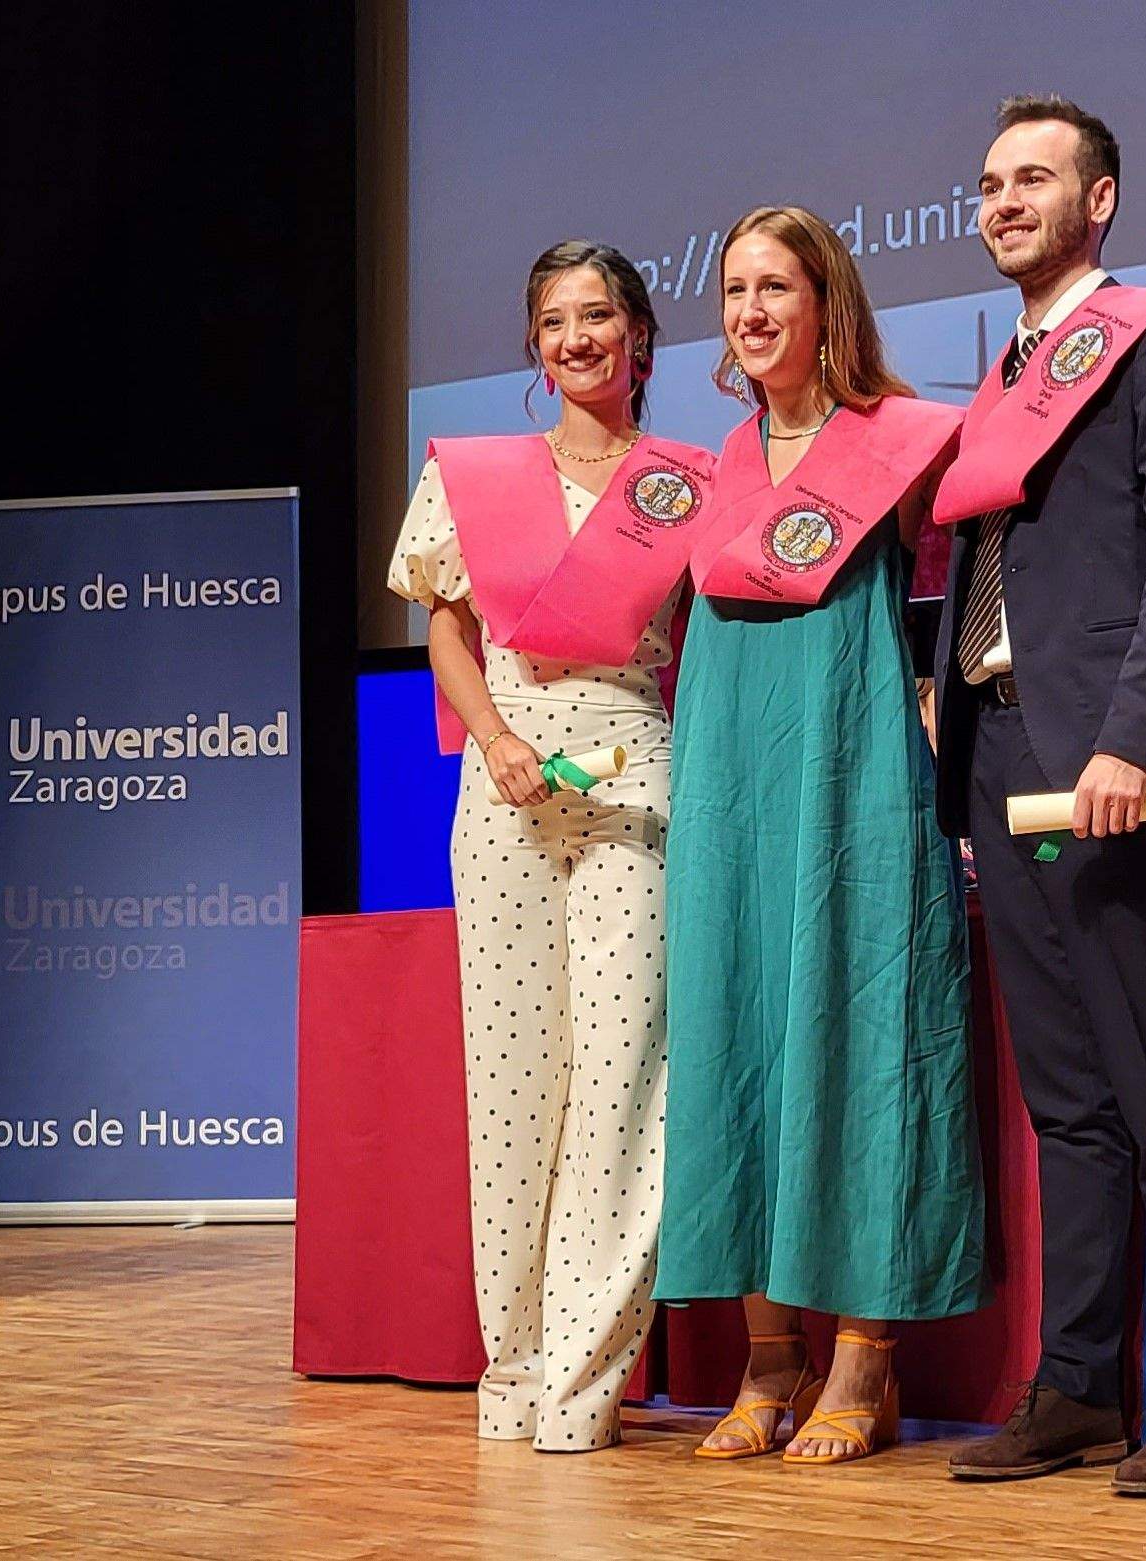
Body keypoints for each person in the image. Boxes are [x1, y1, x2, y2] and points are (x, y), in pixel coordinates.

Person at [928, 97, 1146, 1495]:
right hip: (999, 750)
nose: (1003, 201)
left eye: (1033, 180)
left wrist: (1132, 738)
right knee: (1066, 1099)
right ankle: (1075, 1384)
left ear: (1100, 200)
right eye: (990, 183)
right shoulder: (1002, 369)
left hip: (1104, 761)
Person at [655, 205, 985, 1467]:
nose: (750, 310)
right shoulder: (702, 468)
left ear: (824, 302)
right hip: (730, 785)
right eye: (734, 288)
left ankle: (866, 1362)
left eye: (776, 286)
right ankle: (768, 1361)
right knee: (741, 1035)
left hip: (851, 780)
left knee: (861, 1040)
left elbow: (984, 589)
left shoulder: (898, 446)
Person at [388, 240, 713, 1452]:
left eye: (598, 316)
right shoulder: (473, 475)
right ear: (534, 346)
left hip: (638, 772)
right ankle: (514, 1361)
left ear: (638, 334)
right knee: (516, 1080)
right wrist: (499, 742)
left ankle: (589, 1369)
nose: (577, 338)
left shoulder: (691, 479)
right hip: (506, 777)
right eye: (554, 321)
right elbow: (449, 632)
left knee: (627, 1074)